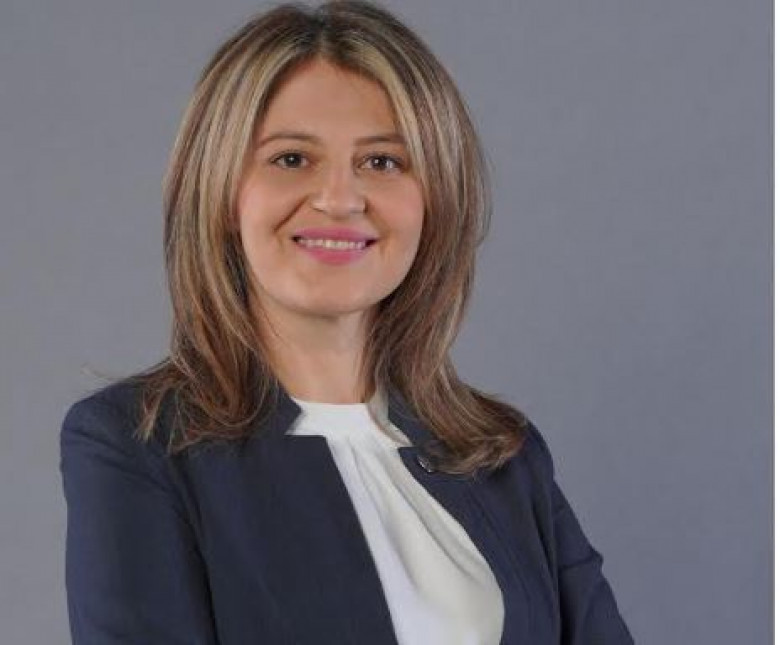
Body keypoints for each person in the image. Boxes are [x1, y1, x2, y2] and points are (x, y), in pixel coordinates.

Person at [59, 1, 634, 643]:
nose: (338, 199)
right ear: (220, 193)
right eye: (291, 159)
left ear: (435, 199)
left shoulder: (502, 455)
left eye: (382, 162)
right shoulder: (138, 446)